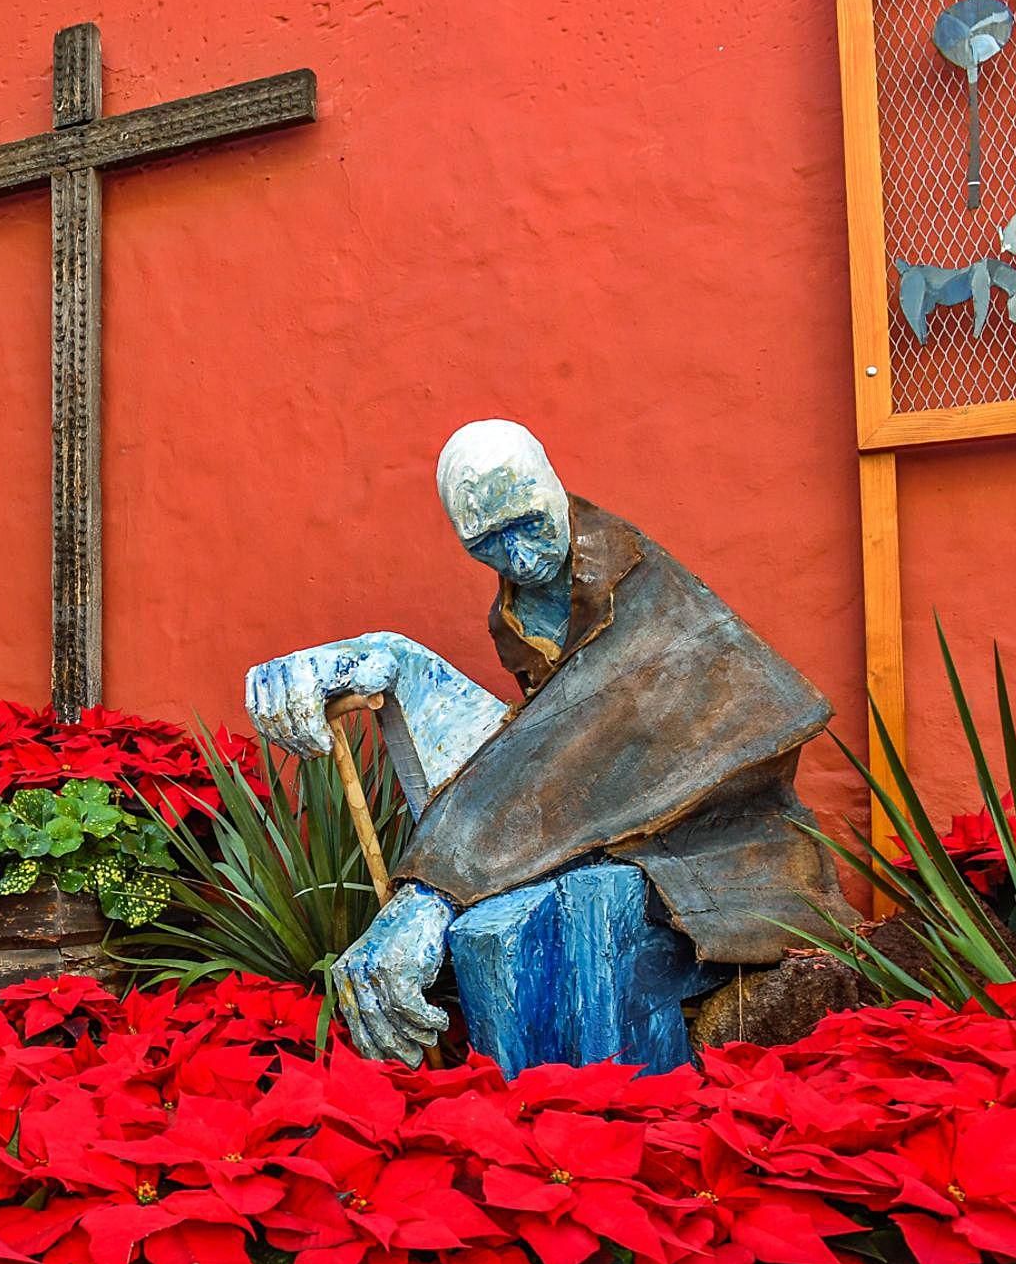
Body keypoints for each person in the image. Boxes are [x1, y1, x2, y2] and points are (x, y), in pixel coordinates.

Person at [246, 420, 853, 1070]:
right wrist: (382, 660)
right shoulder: (514, 611)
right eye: (488, 541)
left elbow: (587, 737)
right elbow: (542, 737)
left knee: (560, 921)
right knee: (498, 930)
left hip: (720, 844)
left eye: (530, 524)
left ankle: (614, 1108)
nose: (519, 557)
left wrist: (431, 891)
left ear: (556, 491)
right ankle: (525, 1118)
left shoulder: (642, 589)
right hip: (615, 822)